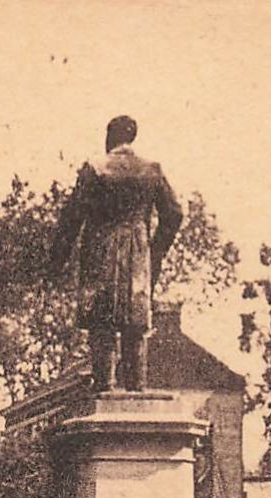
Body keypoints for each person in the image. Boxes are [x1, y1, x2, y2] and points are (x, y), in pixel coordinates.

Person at [48, 114, 183, 392]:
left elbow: (72, 218)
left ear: (110, 137)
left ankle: (105, 389)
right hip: (137, 255)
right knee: (135, 326)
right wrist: (154, 251)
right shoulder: (152, 170)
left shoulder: (95, 168)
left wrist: (56, 263)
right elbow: (174, 214)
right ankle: (137, 390)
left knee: (102, 324)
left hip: (100, 250)